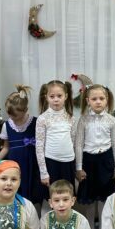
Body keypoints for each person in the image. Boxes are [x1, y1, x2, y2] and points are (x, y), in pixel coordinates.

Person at [75, 84, 115, 229]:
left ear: (107, 100)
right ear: (88, 101)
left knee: (103, 198)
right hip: (88, 161)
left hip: (105, 161)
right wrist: (79, 167)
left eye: (101, 98)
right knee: (89, 198)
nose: (98, 101)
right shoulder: (83, 120)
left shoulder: (111, 120)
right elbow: (79, 144)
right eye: (94, 99)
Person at [0, 85, 42, 214]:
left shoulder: (36, 122)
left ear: (25, 110)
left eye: (16, 115)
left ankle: (34, 219)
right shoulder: (7, 125)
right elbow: (6, 147)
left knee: (34, 193)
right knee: (17, 194)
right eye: (10, 115)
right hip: (15, 166)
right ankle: (18, 219)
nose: (12, 118)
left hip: (32, 165)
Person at [35, 80, 76, 209]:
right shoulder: (42, 118)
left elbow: (73, 141)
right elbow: (39, 146)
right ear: (46, 97)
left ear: (66, 96)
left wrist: (76, 166)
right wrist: (43, 172)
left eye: (59, 96)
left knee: (66, 197)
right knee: (50, 198)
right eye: (52, 96)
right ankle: (46, 221)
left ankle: (66, 220)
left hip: (68, 163)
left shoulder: (70, 117)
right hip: (50, 163)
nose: (56, 99)